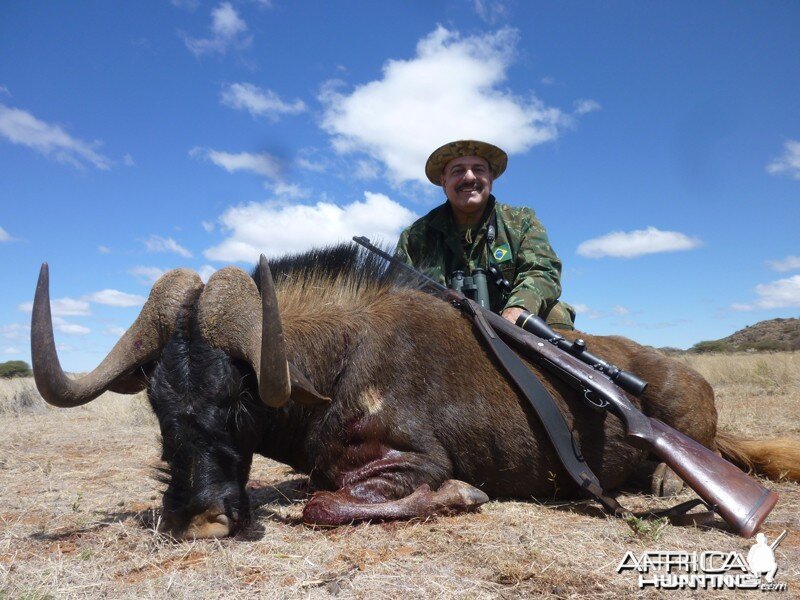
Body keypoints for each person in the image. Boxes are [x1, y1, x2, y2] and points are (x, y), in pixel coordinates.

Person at [395, 139, 575, 329]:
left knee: (556, 314)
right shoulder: (414, 236)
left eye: (479, 169)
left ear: (491, 177)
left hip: (511, 326)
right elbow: (398, 295)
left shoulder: (522, 221)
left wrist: (518, 308)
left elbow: (542, 270)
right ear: (443, 181)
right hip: (440, 331)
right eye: (458, 171)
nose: (469, 177)